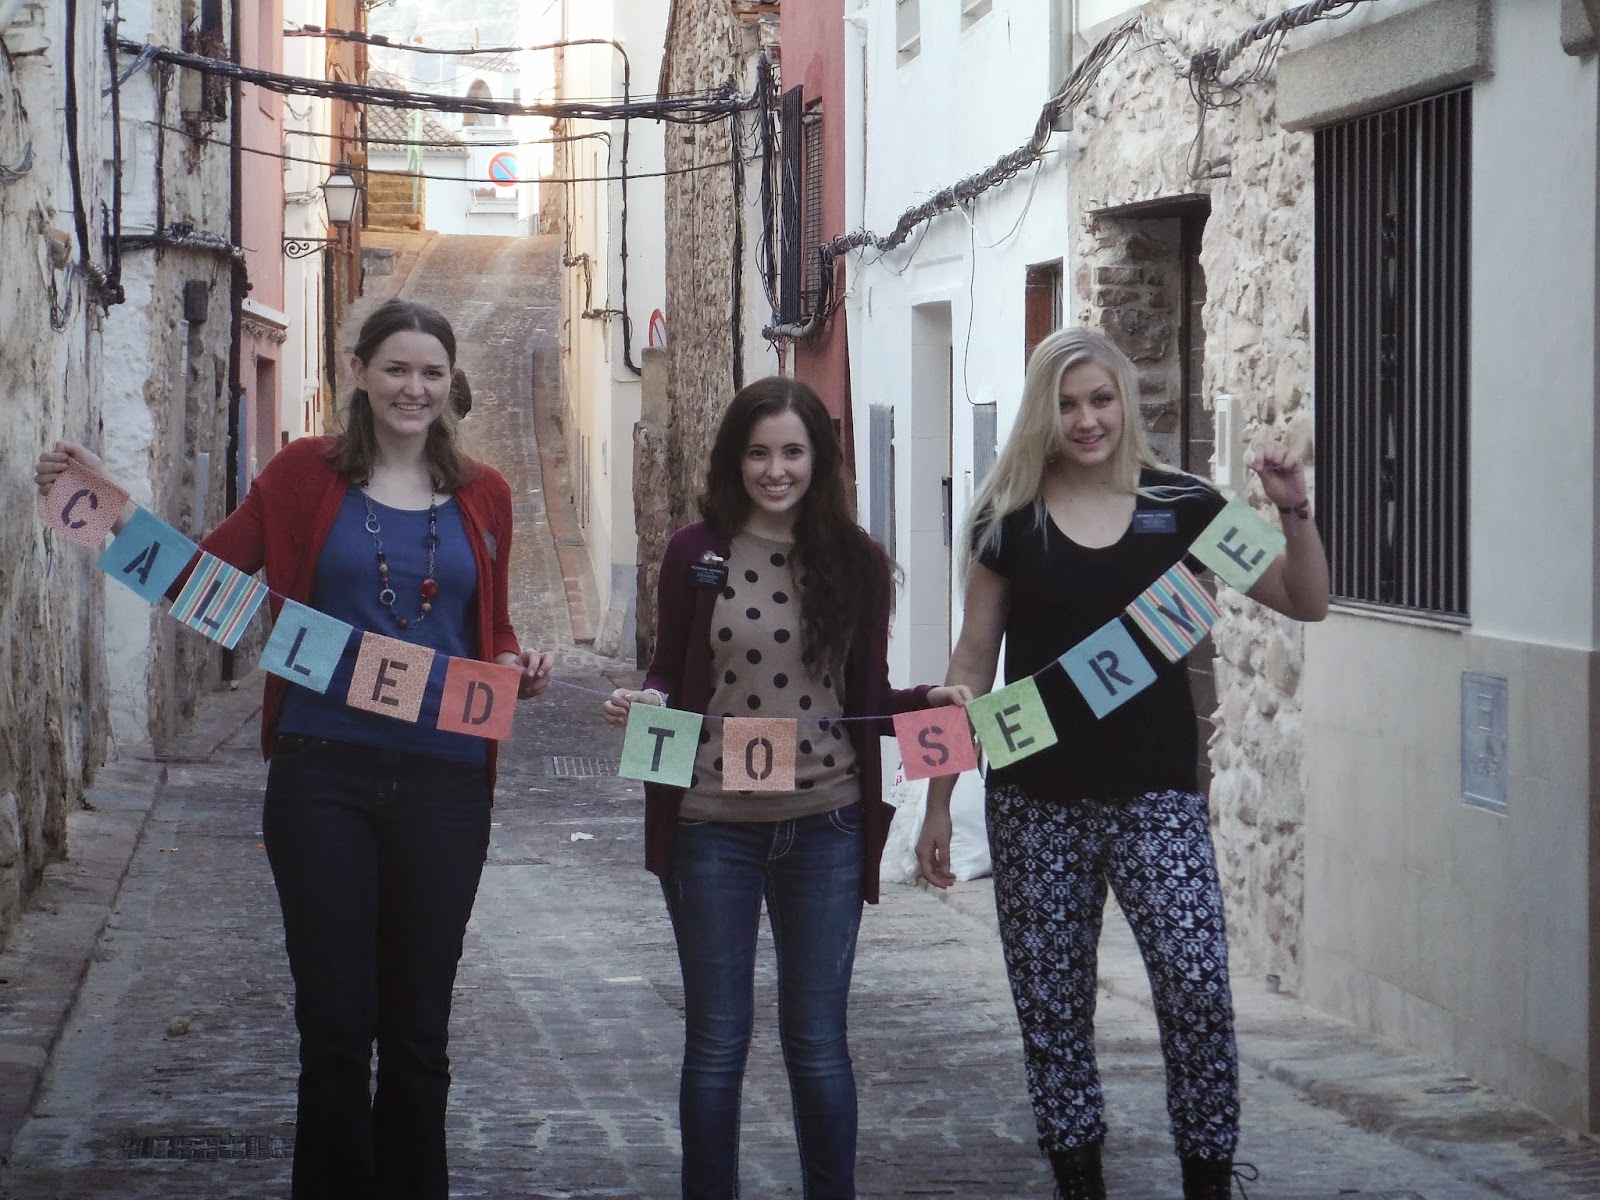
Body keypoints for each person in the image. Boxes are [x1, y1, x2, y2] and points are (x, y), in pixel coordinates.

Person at [34, 298, 555, 1200]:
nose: (414, 388)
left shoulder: (486, 493)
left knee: (420, 1031)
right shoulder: (301, 476)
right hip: (324, 776)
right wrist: (110, 509)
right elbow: (202, 575)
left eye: (431, 372)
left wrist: (515, 663)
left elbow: (493, 627)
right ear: (360, 373)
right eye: (396, 368)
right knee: (336, 1029)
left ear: (450, 382)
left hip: (447, 781)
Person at [915, 327, 1329, 1200]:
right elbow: (969, 668)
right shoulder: (1008, 521)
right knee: (1053, 1012)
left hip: (1157, 798)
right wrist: (938, 803)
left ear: (1124, 403)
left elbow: (1305, 600)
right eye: (1067, 404)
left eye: (1100, 399)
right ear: (1043, 412)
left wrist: (1293, 510)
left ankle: (1208, 1177)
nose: (1086, 420)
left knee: (1196, 987)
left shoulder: (1186, 507)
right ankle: (1079, 1181)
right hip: (1034, 802)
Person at [603, 376, 969, 1200]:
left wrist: (929, 701)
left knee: (818, 1044)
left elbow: (864, 696)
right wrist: (646, 701)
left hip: (827, 823)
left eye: (793, 453)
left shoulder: (858, 561)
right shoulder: (695, 553)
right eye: (759, 452)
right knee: (716, 1044)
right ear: (735, 460)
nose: (776, 470)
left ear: (820, 461)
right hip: (709, 824)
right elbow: (668, 673)